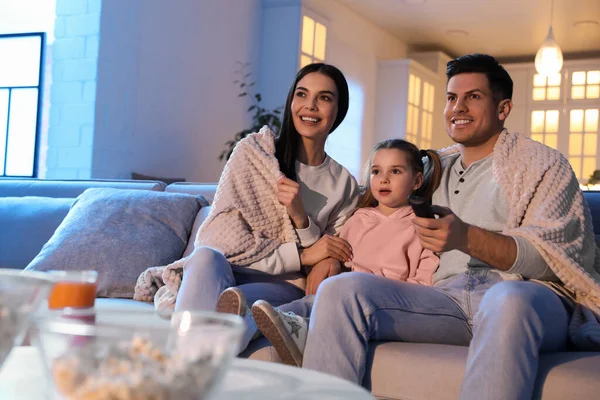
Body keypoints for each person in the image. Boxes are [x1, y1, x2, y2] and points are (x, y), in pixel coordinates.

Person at [300, 53, 600, 400]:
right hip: (447, 300)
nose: (458, 107)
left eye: (473, 97)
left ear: (503, 109)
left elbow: (555, 259)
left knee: (506, 299)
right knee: (342, 290)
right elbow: (370, 209)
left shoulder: (543, 164)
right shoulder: (429, 168)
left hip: (526, 295)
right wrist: (329, 255)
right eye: (451, 97)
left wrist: (467, 238)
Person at [175, 63, 360, 348]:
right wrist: (302, 255)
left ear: (339, 110)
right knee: (203, 257)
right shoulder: (255, 153)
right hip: (230, 270)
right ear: (291, 101)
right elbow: (218, 238)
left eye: (324, 98)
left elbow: (328, 257)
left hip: (283, 288)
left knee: (247, 303)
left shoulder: (344, 184)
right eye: (302, 94)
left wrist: (301, 218)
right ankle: (187, 362)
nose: (309, 106)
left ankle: (190, 369)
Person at [217, 138, 443, 366]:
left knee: (314, 307)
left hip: (378, 302)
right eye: (376, 171)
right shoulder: (358, 219)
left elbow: (421, 287)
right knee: (292, 309)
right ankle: (239, 330)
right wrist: (331, 260)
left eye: (395, 171)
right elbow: (336, 254)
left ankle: (292, 329)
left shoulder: (423, 226)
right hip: (337, 295)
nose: (383, 179)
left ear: (416, 181)